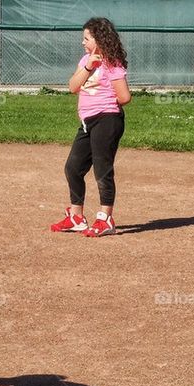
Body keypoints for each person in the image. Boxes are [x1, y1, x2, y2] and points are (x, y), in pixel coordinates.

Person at [50, 17, 131, 238]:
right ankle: (76, 217)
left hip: (107, 119)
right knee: (73, 167)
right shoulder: (86, 60)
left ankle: (106, 219)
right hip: (88, 122)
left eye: (86, 38)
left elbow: (124, 97)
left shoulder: (112, 62)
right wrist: (89, 66)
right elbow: (73, 87)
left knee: (102, 170)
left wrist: (106, 99)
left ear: (99, 38)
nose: (82, 42)